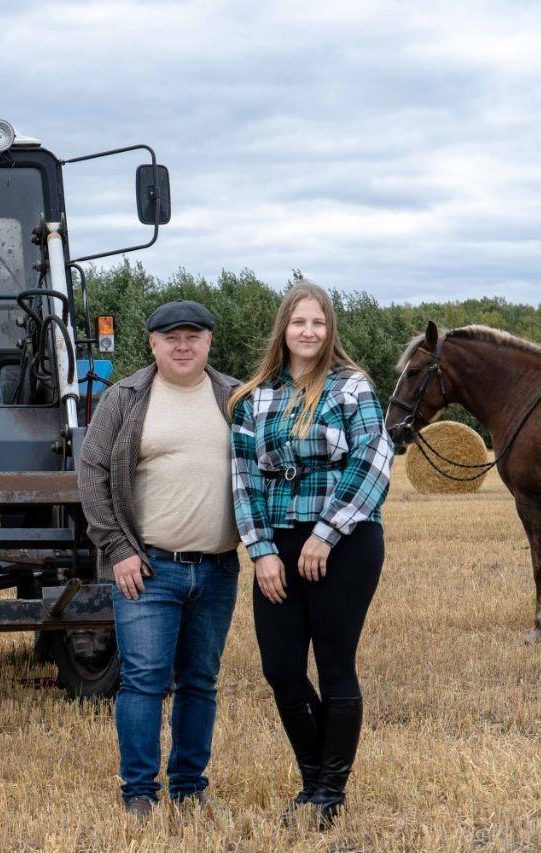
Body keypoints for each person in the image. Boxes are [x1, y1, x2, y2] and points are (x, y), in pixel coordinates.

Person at [228, 280, 393, 828]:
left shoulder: (352, 387)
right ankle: (315, 780)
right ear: (284, 328)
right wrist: (261, 551)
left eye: (318, 323)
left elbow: (372, 462)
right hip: (278, 544)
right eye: (299, 322)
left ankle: (327, 795)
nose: (308, 331)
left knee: (334, 664)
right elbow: (244, 480)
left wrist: (326, 533)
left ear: (329, 330)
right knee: (280, 668)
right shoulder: (254, 398)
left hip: (346, 542)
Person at [77, 300, 241, 818]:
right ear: (153, 344)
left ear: (209, 342)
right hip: (148, 568)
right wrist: (118, 549)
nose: (182, 346)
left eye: (193, 336)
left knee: (200, 682)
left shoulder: (235, 397)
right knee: (144, 680)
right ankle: (140, 793)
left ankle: (190, 789)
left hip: (218, 568)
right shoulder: (124, 398)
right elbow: (92, 473)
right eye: (171, 337)